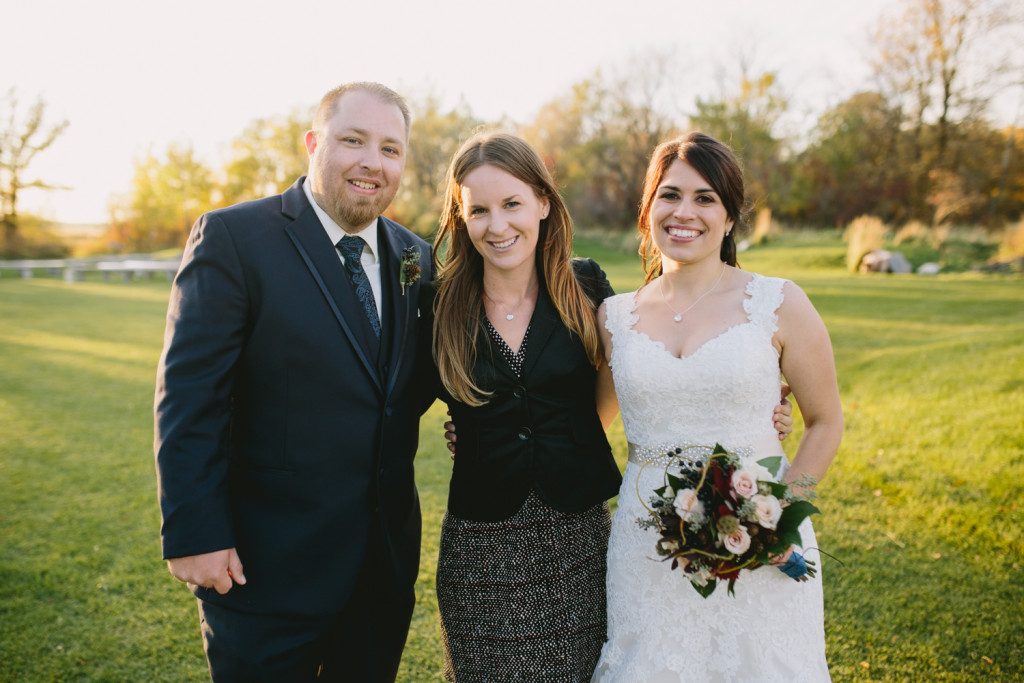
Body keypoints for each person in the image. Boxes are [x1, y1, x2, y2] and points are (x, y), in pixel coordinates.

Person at [154, 82, 433, 682]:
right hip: (265, 565)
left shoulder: (416, 256)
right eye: (352, 141)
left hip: (380, 568)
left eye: (390, 149)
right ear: (313, 143)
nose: (372, 162)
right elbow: (189, 397)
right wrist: (193, 531)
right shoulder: (235, 238)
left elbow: (415, 382)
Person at [590, 131, 843, 682]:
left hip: (758, 535)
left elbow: (825, 422)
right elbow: (585, 427)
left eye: (705, 198)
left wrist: (783, 517)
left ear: (729, 218)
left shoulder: (778, 302)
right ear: (648, 208)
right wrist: (480, 430)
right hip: (646, 545)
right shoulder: (613, 317)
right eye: (670, 194)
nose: (685, 212)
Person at [424, 131, 624, 682]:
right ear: (461, 217)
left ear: (542, 202)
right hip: (480, 550)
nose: (498, 224)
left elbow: (628, 379)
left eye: (512, 203)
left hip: (577, 538)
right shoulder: (439, 305)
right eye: (479, 210)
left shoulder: (585, 286)